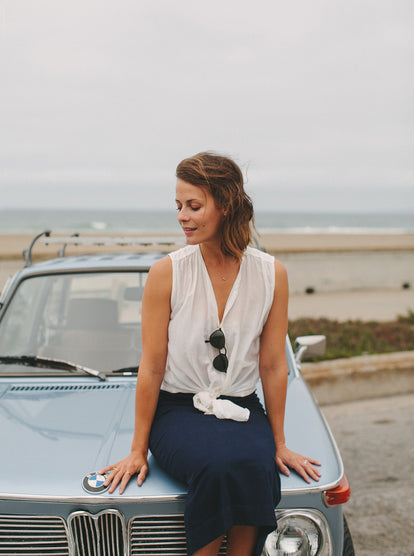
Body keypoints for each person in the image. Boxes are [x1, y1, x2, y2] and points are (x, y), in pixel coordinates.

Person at [101, 152, 321, 556]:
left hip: (241, 405)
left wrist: (280, 442)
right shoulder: (167, 272)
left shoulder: (272, 274)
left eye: (194, 206)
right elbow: (151, 366)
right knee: (216, 465)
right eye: (179, 206)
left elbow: (272, 364)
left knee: (257, 466)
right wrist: (137, 449)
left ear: (225, 205)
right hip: (177, 409)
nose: (182, 216)